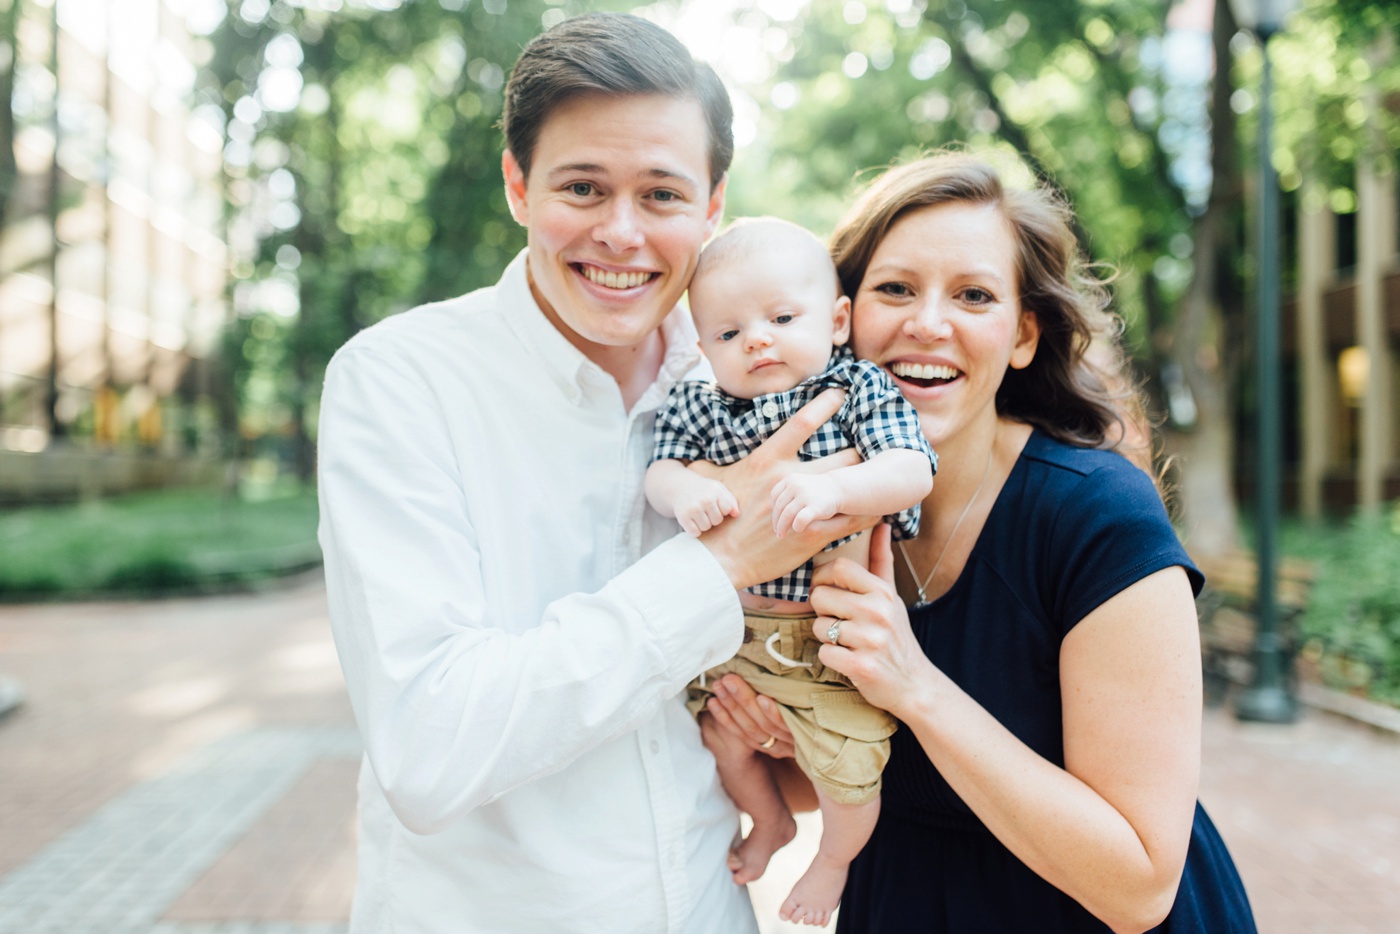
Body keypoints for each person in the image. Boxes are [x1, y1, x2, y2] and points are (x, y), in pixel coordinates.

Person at [315, 14, 875, 933]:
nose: (621, 233)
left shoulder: (762, 381)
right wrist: (719, 564)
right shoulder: (398, 382)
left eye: (661, 195)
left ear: (712, 206)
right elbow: (429, 748)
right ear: (517, 185)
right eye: (583, 186)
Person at [704, 153, 1258, 933]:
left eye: (974, 295)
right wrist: (772, 734)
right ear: (841, 314)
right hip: (902, 901)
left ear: (1023, 335)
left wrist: (915, 688)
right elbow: (873, 775)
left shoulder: (1096, 514)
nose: (929, 323)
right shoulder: (805, 500)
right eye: (895, 289)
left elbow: (1139, 885)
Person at [645, 218, 936, 927]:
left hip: (826, 641)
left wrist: (838, 489)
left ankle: (833, 860)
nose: (757, 339)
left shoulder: (855, 386)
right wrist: (685, 491)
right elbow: (660, 469)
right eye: (727, 333)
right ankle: (769, 820)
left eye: (780, 318)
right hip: (732, 635)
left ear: (837, 321)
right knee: (721, 735)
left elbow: (911, 468)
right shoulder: (700, 403)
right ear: (700, 342)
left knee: (850, 767)